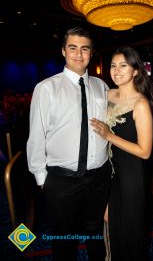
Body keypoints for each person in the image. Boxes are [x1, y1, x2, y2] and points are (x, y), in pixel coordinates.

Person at [27, 27, 112, 261]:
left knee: (95, 233)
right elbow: (36, 136)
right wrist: (42, 180)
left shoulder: (101, 86)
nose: (78, 54)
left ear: (91, 53)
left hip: (99, 177)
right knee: (64, 239)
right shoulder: (46, 88)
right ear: (63, 50)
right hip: (61, 181)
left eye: (84, 49)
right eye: (72, 47)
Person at [90, 46, 153, 261]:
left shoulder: (140, 104)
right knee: (107, 220)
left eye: (123, 65)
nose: (116, 70)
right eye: (113, 65)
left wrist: (109, 136)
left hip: (131, 174)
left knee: (128, 227)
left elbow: (145, 151)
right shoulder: (108, 94)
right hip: (108, 170)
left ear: (136, 71)